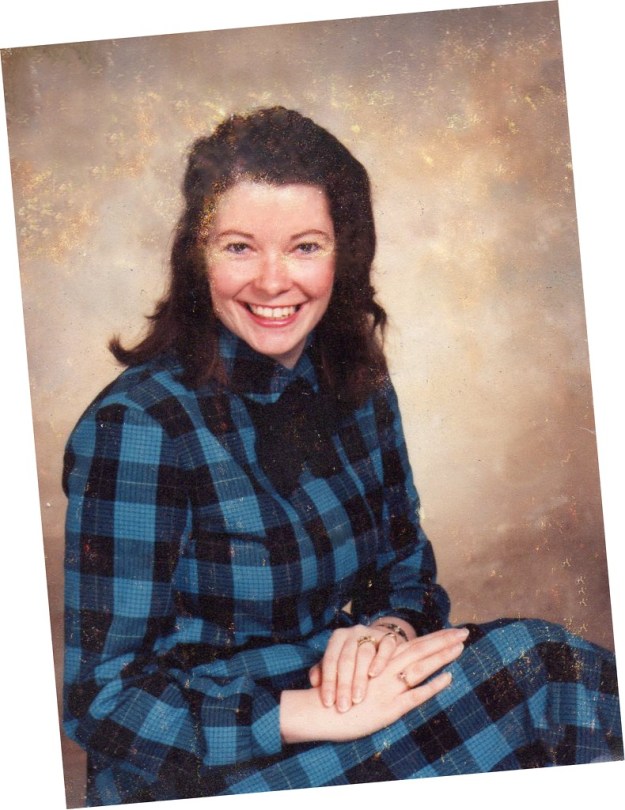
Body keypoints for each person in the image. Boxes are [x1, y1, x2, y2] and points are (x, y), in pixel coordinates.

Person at [63, 106, 622, 806]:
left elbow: (405, 570)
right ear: (196, 255)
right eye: (239, 247)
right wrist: (306, 714)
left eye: (305, 247)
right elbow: (104, 700)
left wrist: (384, 633)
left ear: (344, 254)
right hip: (207, 767)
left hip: (353, 708)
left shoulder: (358, 385)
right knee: (542, 671)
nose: (273, 282)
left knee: (556, 678)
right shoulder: (139, 424)